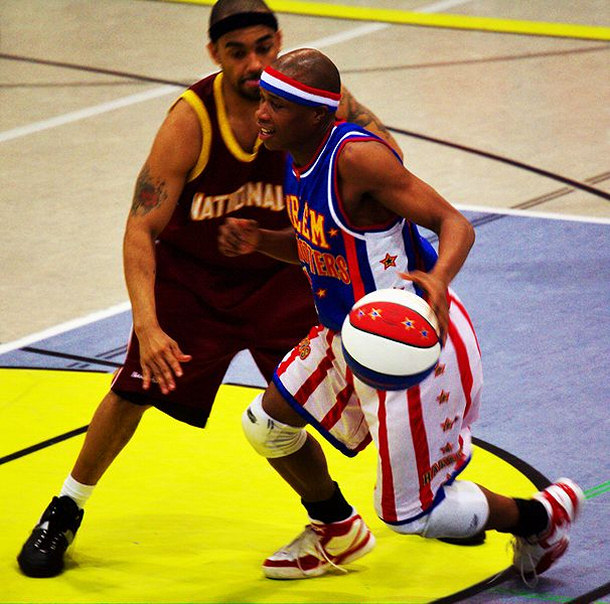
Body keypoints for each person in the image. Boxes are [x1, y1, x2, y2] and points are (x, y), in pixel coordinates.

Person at [16, 0, 402, 579]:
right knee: (134, 388)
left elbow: (389, 165)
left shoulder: (313, 106)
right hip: (195, 287)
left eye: (264, 48)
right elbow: (141, 227)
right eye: (237, 52)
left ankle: (367, 514)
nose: (254, 63)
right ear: (213, 55)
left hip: (282, 277)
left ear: (280, 43)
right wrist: (147, 326)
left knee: (346, 393)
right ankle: (65, 509)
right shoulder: (192, 119)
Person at [218, 48, 584, 583]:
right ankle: (335, 529)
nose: (262, 114)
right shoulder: (293, 152)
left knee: (417, 516)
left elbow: (454, 223)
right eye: (264, 101)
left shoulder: (359, 160)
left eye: (278, 104)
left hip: (408, 345)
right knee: (268, 426)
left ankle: (539, 518)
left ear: (318, 114)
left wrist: (437, 279)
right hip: (346, 333)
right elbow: (318, 245)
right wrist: (261, 241)